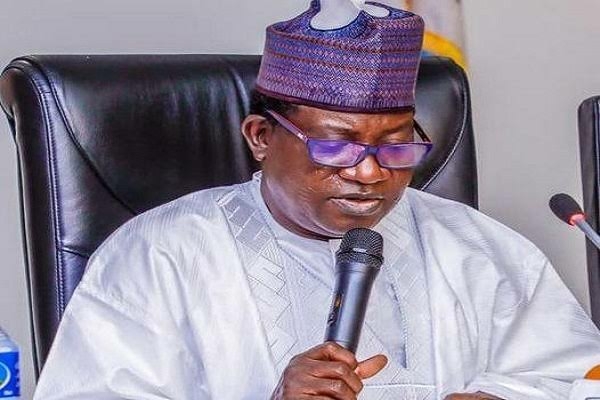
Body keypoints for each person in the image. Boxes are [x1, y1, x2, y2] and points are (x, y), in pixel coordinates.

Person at [34, 1, 600, 399]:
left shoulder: (477, 245)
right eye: (336, 146)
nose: (370, 172)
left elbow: (578, 376)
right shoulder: (161, 254)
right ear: (261, 137)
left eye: (396, 146)